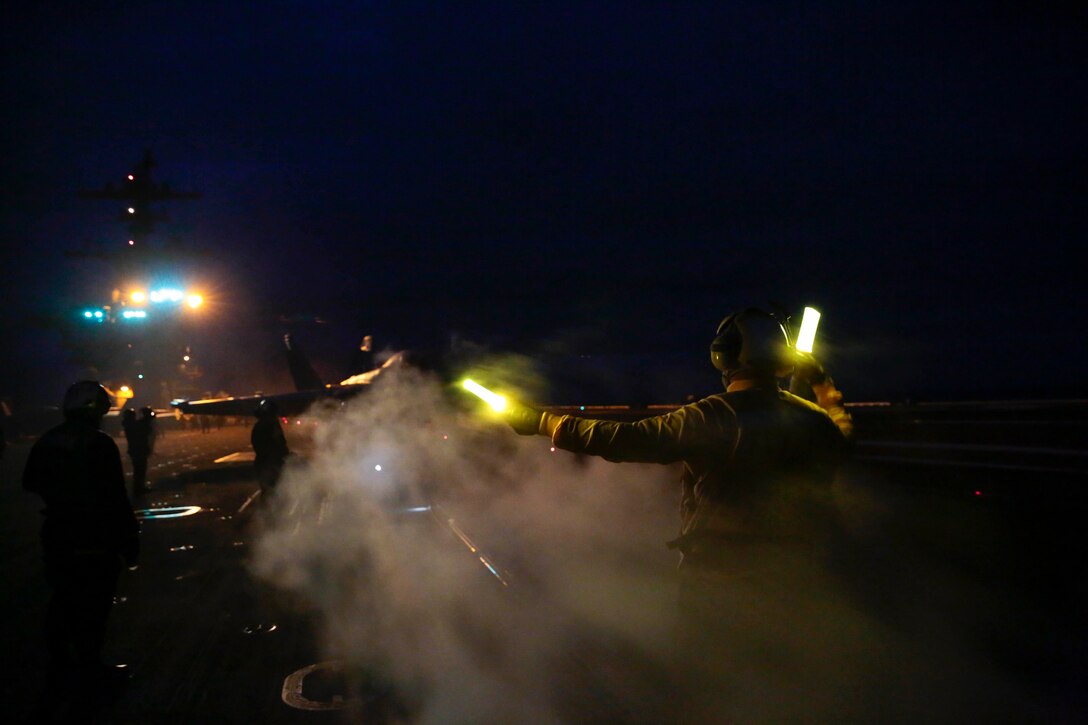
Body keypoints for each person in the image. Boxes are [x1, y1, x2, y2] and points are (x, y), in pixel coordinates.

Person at [499, 308, 854, 719]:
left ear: (725, 356)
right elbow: (844, 436)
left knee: (710, 688)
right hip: (799, 574)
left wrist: (543, 421)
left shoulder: (716, 415)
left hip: (721, 581)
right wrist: (822, 386)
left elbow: (624, 439)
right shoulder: (813, 421)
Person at [22, 381, 140, 710]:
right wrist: (129, 538)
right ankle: (90, 669)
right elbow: (115, 497)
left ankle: (61, 667)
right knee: (94, 605)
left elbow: (29, 482)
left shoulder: (48, 440)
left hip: (58, 532)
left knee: (62, 600)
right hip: (94, 535)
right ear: (94, 410)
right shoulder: (99, 443)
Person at [251, 399, 289, 493]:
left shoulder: (259, 424)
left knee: (267, 490)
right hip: (272, 462)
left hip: (262, 461)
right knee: (275, 490)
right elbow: (279, 441)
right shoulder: (271, 423)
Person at [121, 408, 152, 494]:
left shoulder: (128, 425)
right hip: (139, 449)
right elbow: (145, 426)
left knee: (138, 469)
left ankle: (138, 487)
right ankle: (139, 488)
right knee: (140, 469)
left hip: (134, 449)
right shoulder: (133, 426)